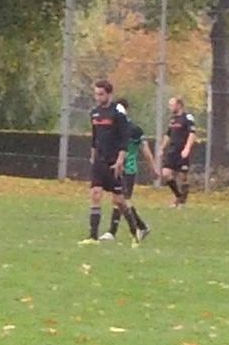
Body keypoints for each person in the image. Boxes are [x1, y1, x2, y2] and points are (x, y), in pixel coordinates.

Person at [79, 80, 139, 246]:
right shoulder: (95, 113)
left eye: (101, 94)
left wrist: (120, 160)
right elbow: (95, 137)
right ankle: (93, 237)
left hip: (113, 162)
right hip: (99, 161)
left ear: (109, 94)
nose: (98, 97)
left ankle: (135, 232)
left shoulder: (117, 113)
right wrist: (93, 156)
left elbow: (124, 139)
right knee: (95, 194)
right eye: (96, 94)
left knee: (119, 201)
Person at [100, 98, 156, 243]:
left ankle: (117, 231)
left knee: (121, 200)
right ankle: (140, 227)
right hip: (120, 167)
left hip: (127, 169)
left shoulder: (125, 129)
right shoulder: (134, 129)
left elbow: (145, 151)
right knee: (119, 200)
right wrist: (153, 168)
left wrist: (153, 168)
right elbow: (146, 151)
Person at [159, 96, 197, 207]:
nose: (170, 107)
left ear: (179, 105)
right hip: (172, 151)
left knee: (182, 176)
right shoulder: (173, 120)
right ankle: (178, 195)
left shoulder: (187, 117)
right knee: (166, 173)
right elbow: (168, 134)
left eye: (172, 105)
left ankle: (182, 201)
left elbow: (192, 134)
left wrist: (187, 148)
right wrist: (162, 147)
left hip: (182, 150)